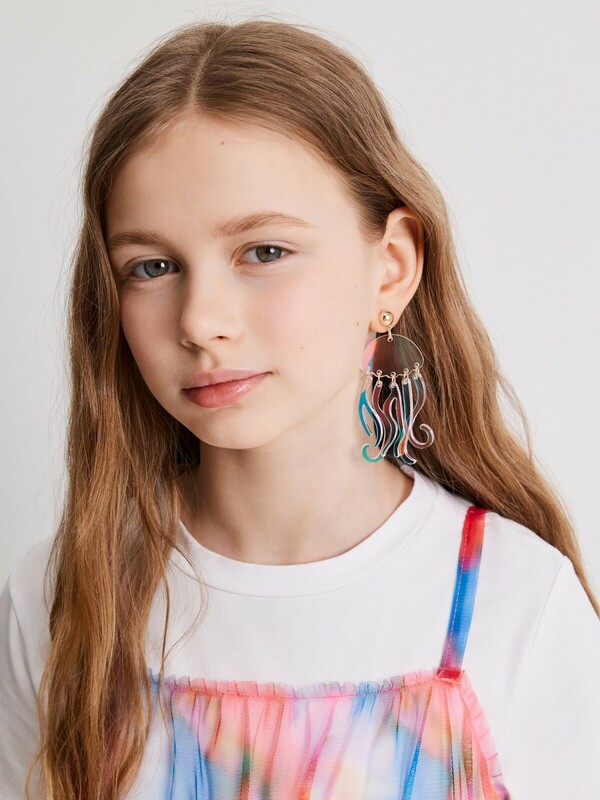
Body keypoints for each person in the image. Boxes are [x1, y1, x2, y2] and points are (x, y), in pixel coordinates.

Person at [1, 17, 599, 800]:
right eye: (152, 266)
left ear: (391, 268)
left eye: (264, 252)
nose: (200, 321)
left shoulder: (519, 605)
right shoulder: (60, 600)